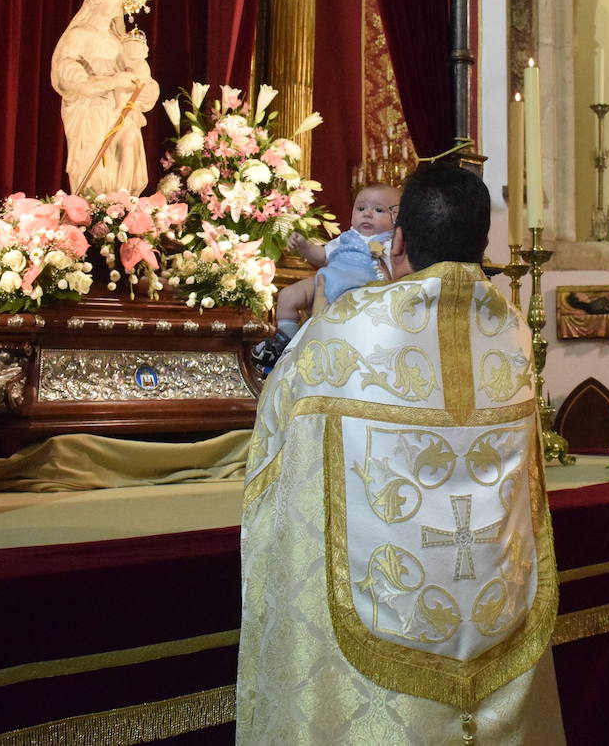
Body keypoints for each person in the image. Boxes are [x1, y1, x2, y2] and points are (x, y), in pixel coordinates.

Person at [236, 162, 565, 745]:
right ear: (481, 242)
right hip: (489, 597)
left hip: (389, 608)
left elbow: (273, 444)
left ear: (400, 240)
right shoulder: (510, 327)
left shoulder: (343, 328)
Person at [253, 184, 400, 374]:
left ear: (397, 218)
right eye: (361, 208)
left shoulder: (388, 242)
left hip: (356, 291)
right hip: (326, 279)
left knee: (328, 325)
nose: (367, 214)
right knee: (288, 295)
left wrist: (380, 254)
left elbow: (389, 272)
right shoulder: (346, 238)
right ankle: (285, 342)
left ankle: (312, 352)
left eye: (378, 210)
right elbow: (322, 256)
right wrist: (304, 246)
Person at [49, 0, 159, 196]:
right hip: (93, 108)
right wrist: (108, 82)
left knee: (127, 147)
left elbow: (140, 74)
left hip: (123, 108)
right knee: (94, 161)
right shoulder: (78, 35)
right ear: (96, 0)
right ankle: (96, 209)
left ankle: (122, 204)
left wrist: (146, 90)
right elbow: (68, 70)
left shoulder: (121, 40)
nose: (117, 2)